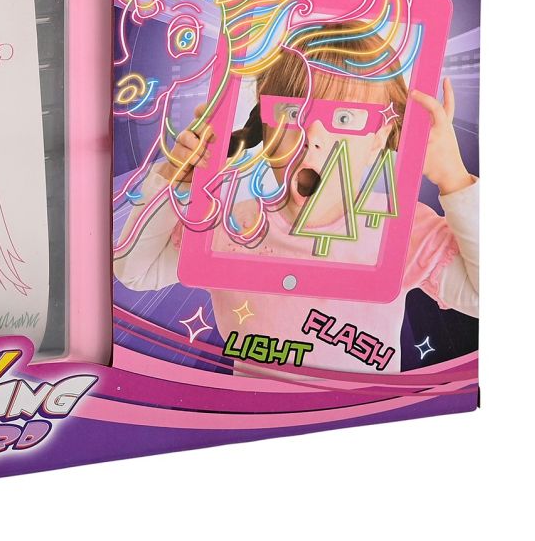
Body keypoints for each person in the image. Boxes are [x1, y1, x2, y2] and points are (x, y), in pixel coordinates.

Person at [114, 27, 478, 373]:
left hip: (366, 417)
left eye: (344, 117)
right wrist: (176, 177)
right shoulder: (232, 226)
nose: (312, 136)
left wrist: (455, 180)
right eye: (292, 113)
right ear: (264, 128)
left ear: (378, 140)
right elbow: (136, 269)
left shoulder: (401, 229)